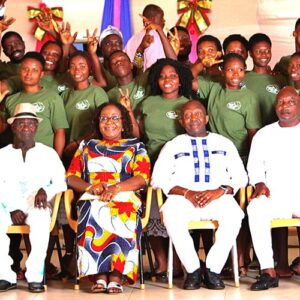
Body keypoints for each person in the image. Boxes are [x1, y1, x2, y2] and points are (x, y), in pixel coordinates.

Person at [152, 100, 247, 290]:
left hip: (219, 197)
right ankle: (194, 270)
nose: (193, 118)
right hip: (182, 199)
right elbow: (157, 179)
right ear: (181, 121)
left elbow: (241, 177)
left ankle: (212, 270)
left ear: (206, 118)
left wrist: (218, 191)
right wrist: (187, 193)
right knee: (171, 215)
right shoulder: (173, 145)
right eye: (187, 115)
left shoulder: (223, 143)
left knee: (235, 215)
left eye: (197, 114)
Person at [66, 102, 151, 294]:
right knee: (92, 210)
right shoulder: (87, 146)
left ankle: (116, 275)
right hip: (93, 194)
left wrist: (115, 188)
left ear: (123, 123)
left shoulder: (136, 146)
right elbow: (71, 176)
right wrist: (90, 187)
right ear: (98, 123)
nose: (109, 122)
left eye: (114, 118)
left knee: (123, 212)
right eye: (104, 118)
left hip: (125, 194)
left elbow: (142, 178)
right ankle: (99, 275)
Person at [0, 103, 66, 293]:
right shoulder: (2, 154)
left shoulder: (48, 153)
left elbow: (61, 182)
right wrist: (11, 206)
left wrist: (45, 190)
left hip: (36, 204)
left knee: (40, 220)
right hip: (6, 205)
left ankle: (35, 276)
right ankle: (5, 275)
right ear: (13, 127)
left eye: (30, 124)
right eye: (21, 124)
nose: (26, 128)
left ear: (36, 127)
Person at [139, 58, 193, 279]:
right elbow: (138, 135)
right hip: (152, 162)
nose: (167, 80)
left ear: (180, 80)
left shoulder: (187, 103)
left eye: (172, 75)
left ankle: (180, 261)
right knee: (152, 211)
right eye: (162, 76)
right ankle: (162, 262)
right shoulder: (148, 103)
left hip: (182, 165)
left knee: (177, 211)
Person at [247, 86, 300, 290]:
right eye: (281, 102)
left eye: (291, 102)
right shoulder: (264, 134)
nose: (285, 106)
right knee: (255, 208)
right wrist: (259, 183)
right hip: (274, 195)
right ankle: (268, 271)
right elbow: (254, 166)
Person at [0, 51, 69, 157]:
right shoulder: (11, 100)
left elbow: (60, 131)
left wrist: (57, 159)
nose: (28, 73)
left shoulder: (52, 97)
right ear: (19, 71)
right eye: (25, 69)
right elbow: (2, 128)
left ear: (41, 74)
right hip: (19, 157)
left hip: (45, 157)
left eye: (34, 70)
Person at [244, 33, 287, 126]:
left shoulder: (279, 78)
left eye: (267, 50)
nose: (264, 55)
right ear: (250, 53)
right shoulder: (242, 79)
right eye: (259, 51)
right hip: (250, 133)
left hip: (276, 131)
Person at [125, 4, 176, 71]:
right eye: (162, 17)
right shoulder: (154, 36)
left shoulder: (133, 39)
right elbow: (156, 67)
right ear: (153, 19)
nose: (164, 21)